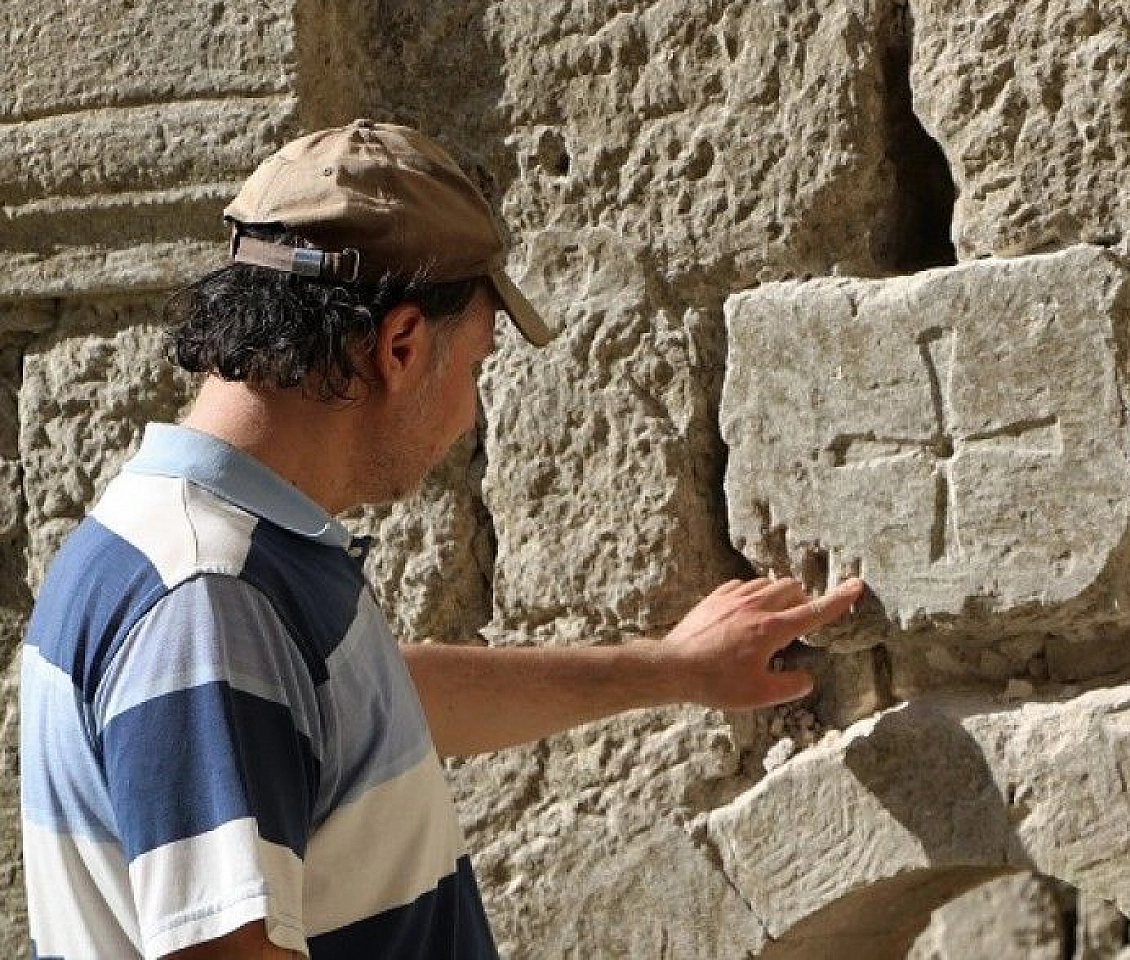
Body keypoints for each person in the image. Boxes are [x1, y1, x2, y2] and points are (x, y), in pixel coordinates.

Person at [18, 119, 865, 959]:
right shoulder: (209, 600)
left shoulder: (193, 548)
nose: (470, 411)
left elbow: (358, 709)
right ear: (401, 344)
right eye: (475, 367)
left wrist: (670, 669)